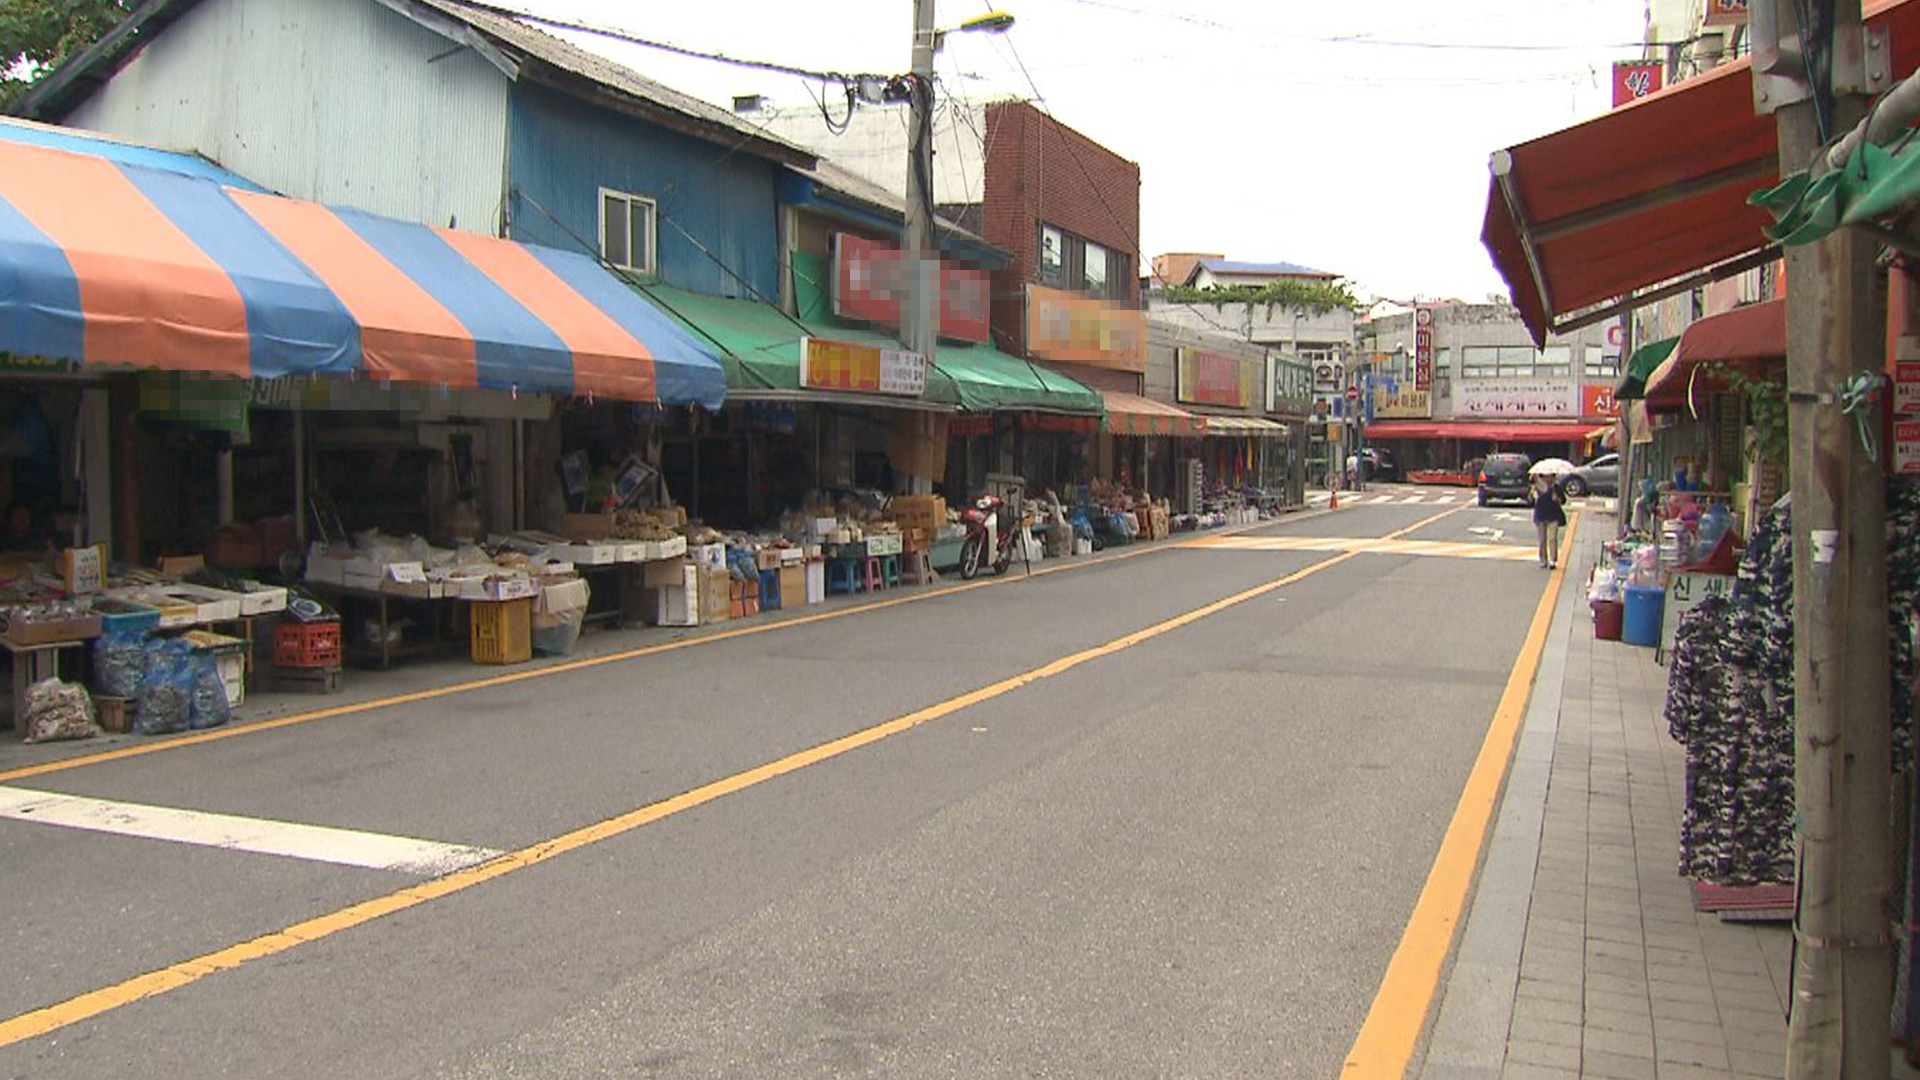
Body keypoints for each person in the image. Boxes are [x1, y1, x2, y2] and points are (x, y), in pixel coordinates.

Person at [1532, 474, 1567, 568]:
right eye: (1545, 476)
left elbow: (1563, 500)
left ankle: (1553, 560)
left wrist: (1557, 499)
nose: (1548, 478)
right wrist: (1533, 496)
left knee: (1552, 538)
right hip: (1540, 516)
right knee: (1542, 540)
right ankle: (1543, 560)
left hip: (1553, 516)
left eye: (1550, 476)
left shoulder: (1556, 487)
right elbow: (1531, 501)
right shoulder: (1537, 487)